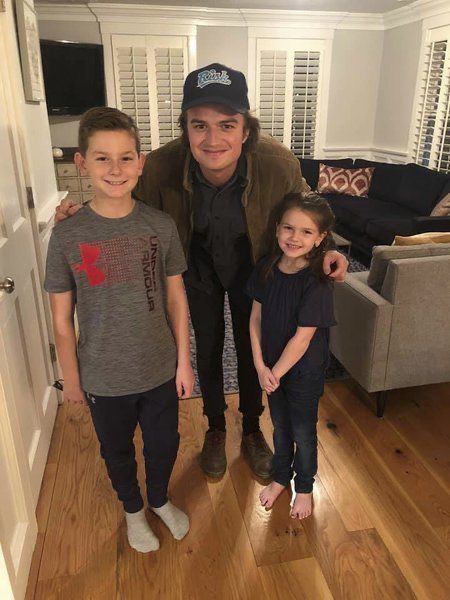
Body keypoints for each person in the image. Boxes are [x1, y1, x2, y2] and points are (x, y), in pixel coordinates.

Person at [54, 63, 348, 480]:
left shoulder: (278, 163)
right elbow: (120, 205)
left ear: (246, 130)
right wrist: (79, 218)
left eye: (227, 125)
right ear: (185, 129)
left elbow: (309, 208)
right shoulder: (159, 167)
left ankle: (250, 429)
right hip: (196, 270)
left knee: (253, 349)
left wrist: (329, 250)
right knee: (206, 347)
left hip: (255, 269)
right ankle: (214, 426)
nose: (213, 139)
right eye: (199, 125)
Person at [45, 107, 194, 553]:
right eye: (103, 158)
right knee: (117, 451)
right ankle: (132, 510)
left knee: (164, 443)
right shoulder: (68, 236)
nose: (116, 169)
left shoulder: (159, 226)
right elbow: (60, 318)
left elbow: (176, 298)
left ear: (141, 162)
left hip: (159, 367)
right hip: (103, 375)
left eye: (126, 158)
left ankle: (161, 499)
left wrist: (184, 361)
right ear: (82, 163)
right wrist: (71, 378)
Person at [247, 192, 336, 519]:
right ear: (277, 229)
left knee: (303, 432)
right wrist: (259, 365)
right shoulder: (266, 268)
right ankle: (281, 477)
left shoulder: (317, 282)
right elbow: (255, 317)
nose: (294, 237)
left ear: (320, 238)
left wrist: (276, 372)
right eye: (288, 228)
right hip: (271, 369)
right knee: (280, 428)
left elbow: (302, 339)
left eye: (306, 231)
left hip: (302, 373)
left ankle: (305, 487)